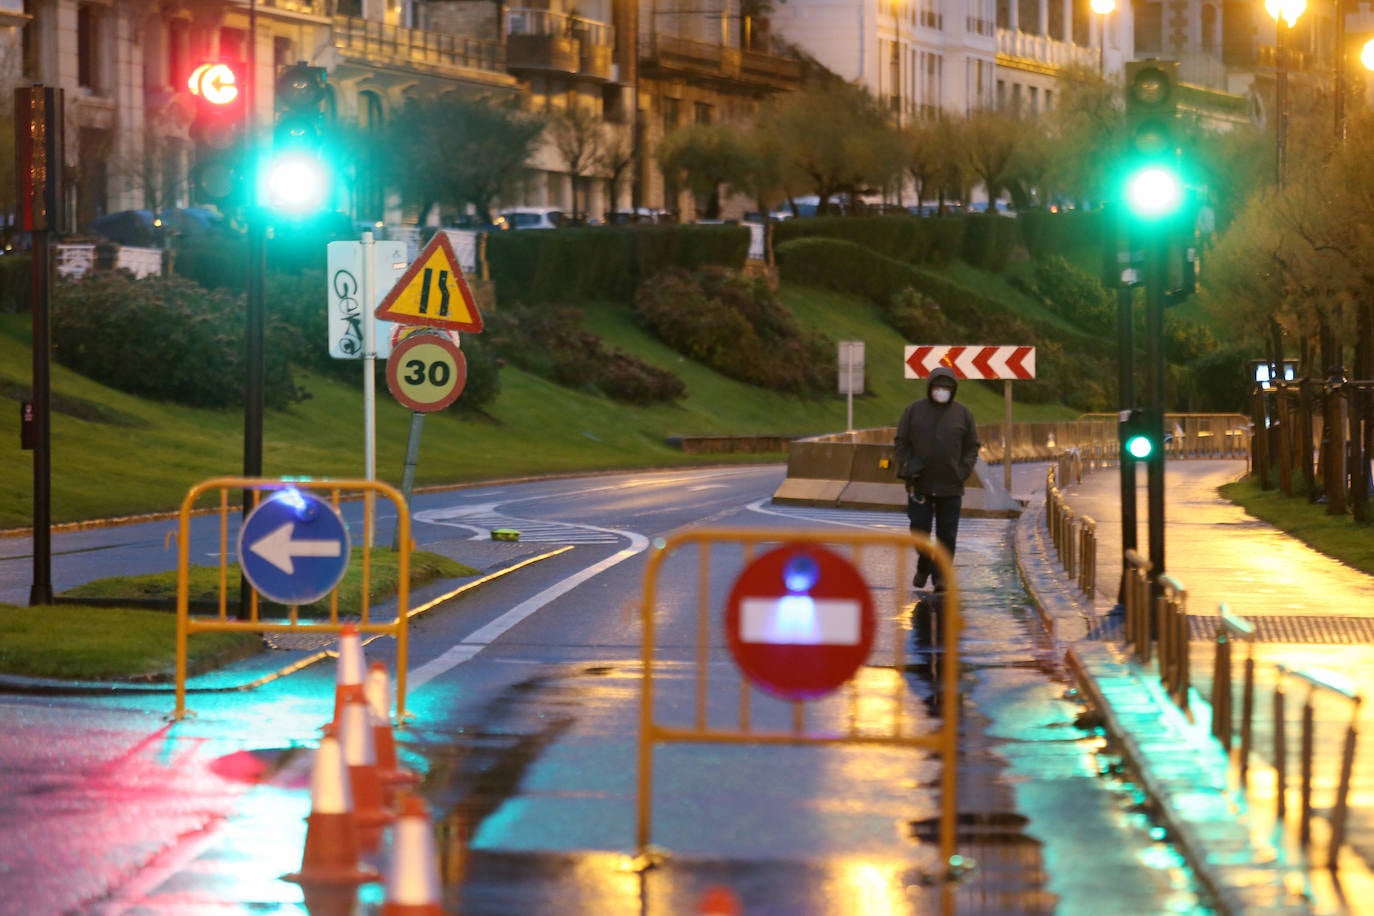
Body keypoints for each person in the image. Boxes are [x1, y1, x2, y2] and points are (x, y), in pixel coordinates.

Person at [894, 366, 981, 592]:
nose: (941, 391)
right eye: (937, 387)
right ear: (929, 387)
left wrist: (962, 471)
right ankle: (924, 564)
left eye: (946, 388)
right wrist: (906, 466)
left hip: (951, 485)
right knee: (919, 529)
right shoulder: (913, 411)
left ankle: (941, 576)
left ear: (953, 391)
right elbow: (901, 442)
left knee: (947, 534)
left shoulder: (963, 414)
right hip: (920, 484)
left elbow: (972, 446)